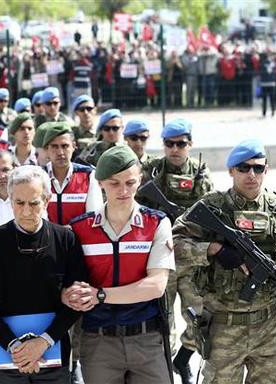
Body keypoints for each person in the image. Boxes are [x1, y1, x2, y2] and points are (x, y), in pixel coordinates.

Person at [172, 139, 276, 384]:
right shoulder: (212, 207)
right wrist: (213, 249)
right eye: (243, 168)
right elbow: (173, 245)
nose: (251, 174)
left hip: (269, 327)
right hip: (224, 326)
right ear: (230, 171)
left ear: (266, 170)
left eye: (258, 168)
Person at [63, 145, 175, 384]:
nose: (123, 190)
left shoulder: (157, 223)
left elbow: (156, 286)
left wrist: (99, 295)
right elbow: (67, 283)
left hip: (147, 341)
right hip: (98, 343)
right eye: (114, 183)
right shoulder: (79, 229)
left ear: (140, 180)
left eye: (130, 182)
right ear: (100, 182)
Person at [0, 165, 86, 383]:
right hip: (5, 355)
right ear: (10, 199)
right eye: (19, 203)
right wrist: (15, 347)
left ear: (47, 199)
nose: (26, 211)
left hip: (53, 352)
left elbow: (76, 301)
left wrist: (44, 341)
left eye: (34, 203)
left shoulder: (66, 240)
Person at [138, 118, 214, 384]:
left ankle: (183, 358)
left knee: (202, 317)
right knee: (162, 321)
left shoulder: (201, 176)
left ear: (190, 144)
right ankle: (166, 372)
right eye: (169, 144)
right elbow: (135, 209)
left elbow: (212, 215)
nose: (175, 149)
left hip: (193, 260)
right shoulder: (152, 171)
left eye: (181, 143)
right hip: (161, 259)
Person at [41, 122, 102, 226]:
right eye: (55, 147)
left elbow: (93, 216)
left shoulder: (89, 176)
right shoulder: (38, 176)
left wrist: (70, 231)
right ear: (47, 149)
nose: (60, 152)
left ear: (74, 146)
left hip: (78, 240)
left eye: (65, 146)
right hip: (46, 240)